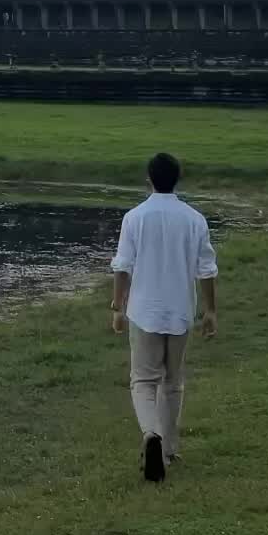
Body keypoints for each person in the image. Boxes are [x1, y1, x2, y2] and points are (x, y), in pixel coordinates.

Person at [110, 151, 218, 484]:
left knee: (143, 380)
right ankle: (168, 449)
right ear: (178, 179)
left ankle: (150, 435)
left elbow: (122, 266)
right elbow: (206, 269)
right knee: (173, 381)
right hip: (180, 311)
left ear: (149, 179)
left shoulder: (135, 217)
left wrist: (117, 307)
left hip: (144, 311)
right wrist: (210, 310)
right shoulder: (194, 219)